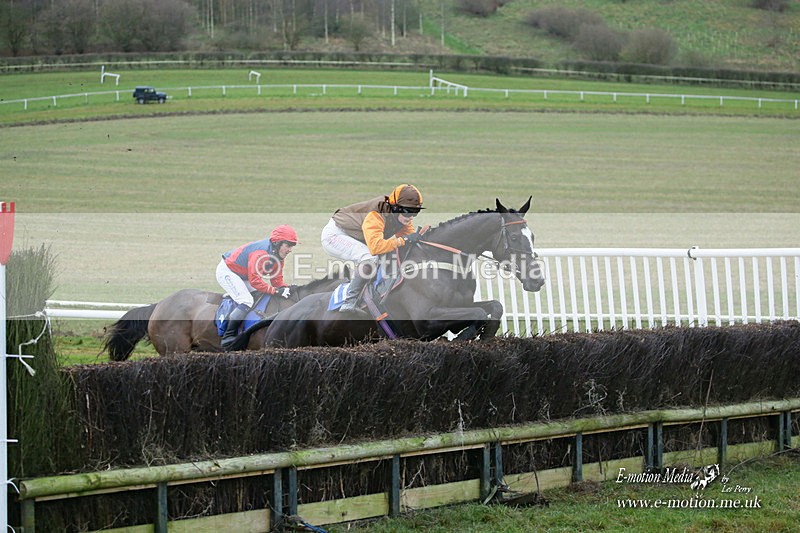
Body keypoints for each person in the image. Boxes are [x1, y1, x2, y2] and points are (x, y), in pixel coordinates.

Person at [321, 184, 424, 313]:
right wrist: (404, 240)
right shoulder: (376, 214)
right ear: (395, 207)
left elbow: (408, 242)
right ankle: (349, 302)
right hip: (335, 235)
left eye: (415, 212)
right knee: (369, 258)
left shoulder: (402, 218)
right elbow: (376, 247)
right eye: (407, 212)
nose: (410, 217)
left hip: (356, 237)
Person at [216, 224, 299, 349]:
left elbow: (276, 281)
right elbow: (255, 281)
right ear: (277, 243)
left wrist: (286, 288)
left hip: (244, 276)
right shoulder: (260, 253)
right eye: (288, 245)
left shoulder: (279, 257)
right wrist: (275, 291)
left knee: (260, 295)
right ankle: (228, 336)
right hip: (228, 271)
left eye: (292, 246)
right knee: (246, 300)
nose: (290, 250)